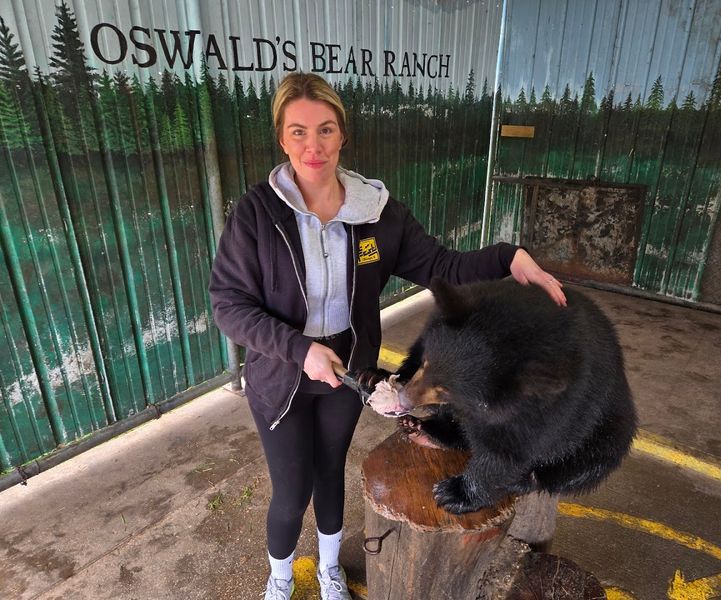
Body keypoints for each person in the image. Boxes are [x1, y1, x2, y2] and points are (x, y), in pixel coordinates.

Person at [208, 72, 566, 600]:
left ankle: (329, 573)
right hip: (280, 375)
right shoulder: (257, 215)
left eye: (325, 130)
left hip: (347, 375)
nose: (314, 146)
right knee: (291, 490)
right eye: (299, 132)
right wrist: (299, 348)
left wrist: (508, 257)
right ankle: (280, 580)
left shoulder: (376, 215)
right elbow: (229, 305)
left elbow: (442, 264)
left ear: (342, 135)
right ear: (282, 139)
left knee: (330, 473)